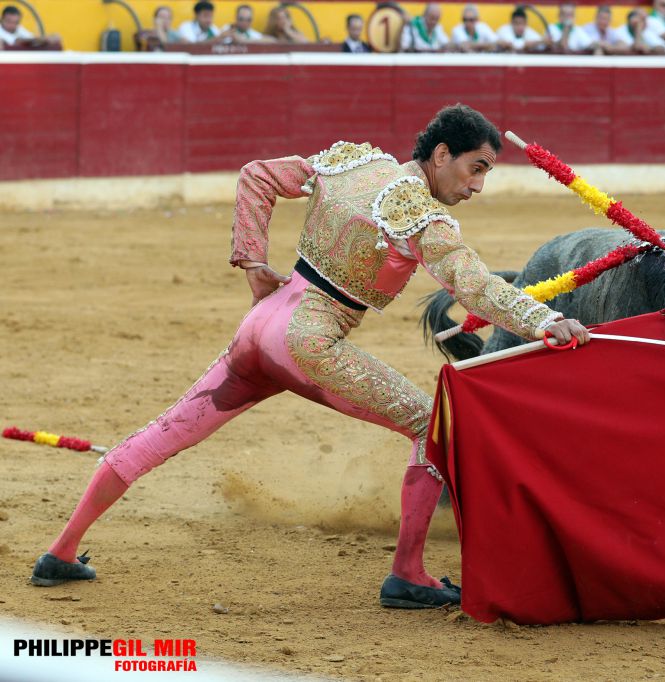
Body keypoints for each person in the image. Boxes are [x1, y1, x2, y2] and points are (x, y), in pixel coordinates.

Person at [30, 104, 590, 609]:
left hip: (261, 326)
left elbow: (257, 175)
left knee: (163, 432)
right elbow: (473, 286)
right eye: (476, 168)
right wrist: (545, 320)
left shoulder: (354, 162)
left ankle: (62, 550)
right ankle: (408, 574)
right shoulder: (422, 216)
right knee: (432, 421)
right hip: (308, 342)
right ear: (441, 155)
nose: (477, 186)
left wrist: (253, 264)